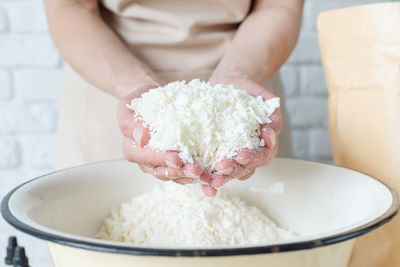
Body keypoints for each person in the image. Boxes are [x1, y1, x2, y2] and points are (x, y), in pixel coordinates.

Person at [44, 0, 304, 196]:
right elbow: (70, 7)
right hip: (110, 81)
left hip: (249, 70)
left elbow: (278, 6)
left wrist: (237, 75)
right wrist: (140, 96)